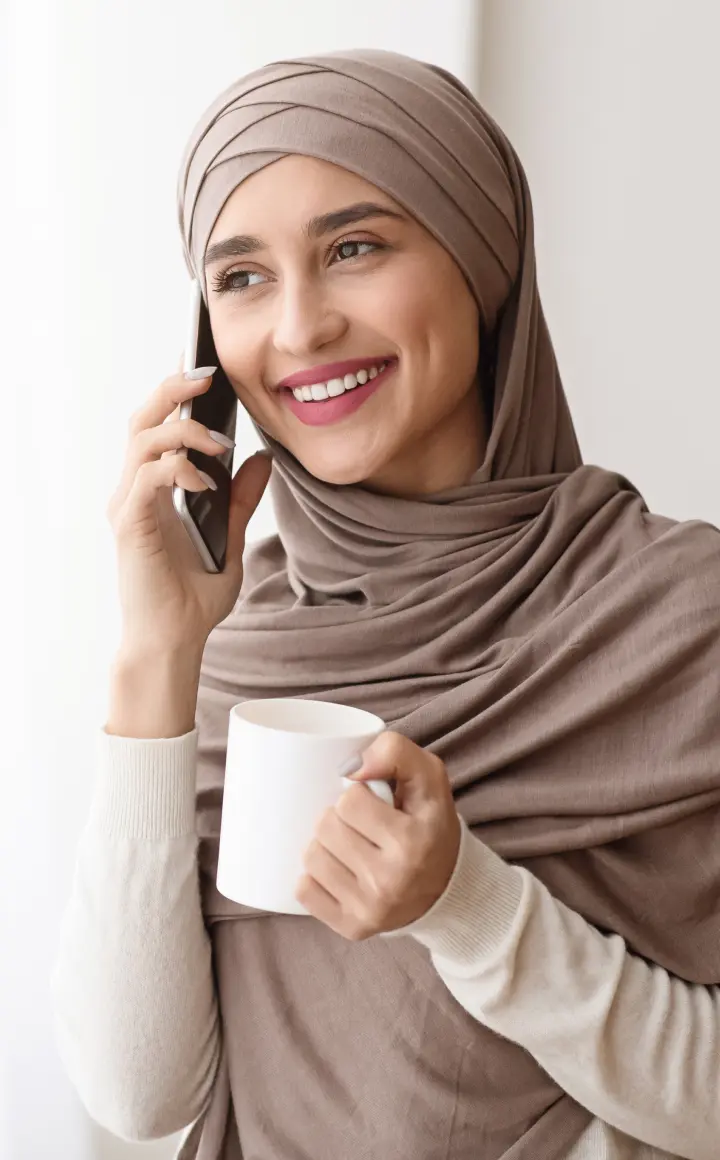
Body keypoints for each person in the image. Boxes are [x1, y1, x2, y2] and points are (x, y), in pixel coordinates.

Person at [50, 48, 720, 1160]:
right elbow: (141, 1093)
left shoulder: (678, 620)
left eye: (353, 248)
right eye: (243, 276)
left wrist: (464, 901)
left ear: (481, 258)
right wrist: (155, 663)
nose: (301, 329)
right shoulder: (230, 657)